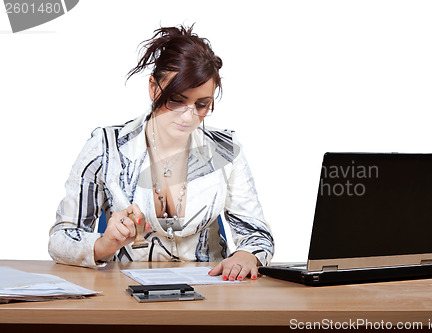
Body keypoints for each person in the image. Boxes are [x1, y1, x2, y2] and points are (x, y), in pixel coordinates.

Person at [48, 25, 274, 281]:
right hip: (125, 295)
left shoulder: (225, 151)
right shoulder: (107, 147)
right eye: (176, 100)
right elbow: (61, 238)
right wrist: (106, 244)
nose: (189, 116)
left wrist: (247, 255)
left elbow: (257, 234)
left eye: (202, 104)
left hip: (210, 295)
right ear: (154, 89)